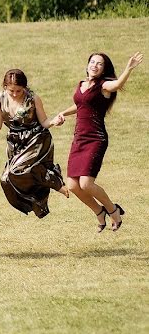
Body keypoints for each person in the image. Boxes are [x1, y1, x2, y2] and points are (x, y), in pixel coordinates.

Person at [54, 52, 143, 232]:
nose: (95, 65)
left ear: (104, 69)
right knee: (72, 185)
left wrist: (129, 68)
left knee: (86, 183)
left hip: (95, 138)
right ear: (87, 65)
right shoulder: (81, 84)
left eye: (99, 64)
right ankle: (99, 212)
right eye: (92, 62)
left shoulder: (104, 86)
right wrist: (63, 113)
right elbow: (80, 105)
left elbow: (118, 84)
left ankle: (113, 210)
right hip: (79, 138)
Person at [0, 69, 68, 218]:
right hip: (15, 143)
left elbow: (44, 122)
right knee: (5, 180)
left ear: (24, 87)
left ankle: (55, 180)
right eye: (11, 90)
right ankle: (39, 202)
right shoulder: (0, 98)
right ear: (5, 86)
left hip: (36, 139)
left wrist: (54, 122)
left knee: (17, 170)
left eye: (19, 90)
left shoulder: (33, 98)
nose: (15, 94)